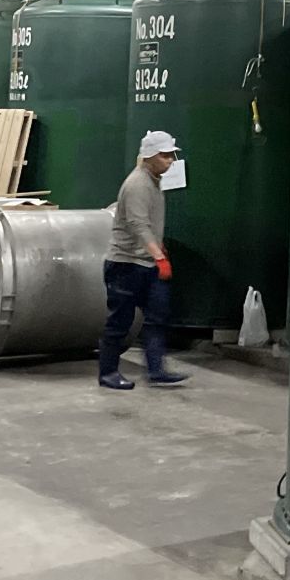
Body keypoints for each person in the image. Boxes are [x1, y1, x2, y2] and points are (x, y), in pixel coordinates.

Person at [99, 130, 188, 390]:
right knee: (120, 322)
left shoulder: (154, 181)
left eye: (171, 155)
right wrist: (159, 256)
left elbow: (151, 223)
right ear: (149, 156)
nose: (170, 161)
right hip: (126, 265)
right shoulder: (137, 185)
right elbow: (138, 225)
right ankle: (108, 373)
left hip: (147, 263)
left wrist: (158, 252)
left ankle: (156, 370)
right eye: (164, 155)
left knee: (157, 317)